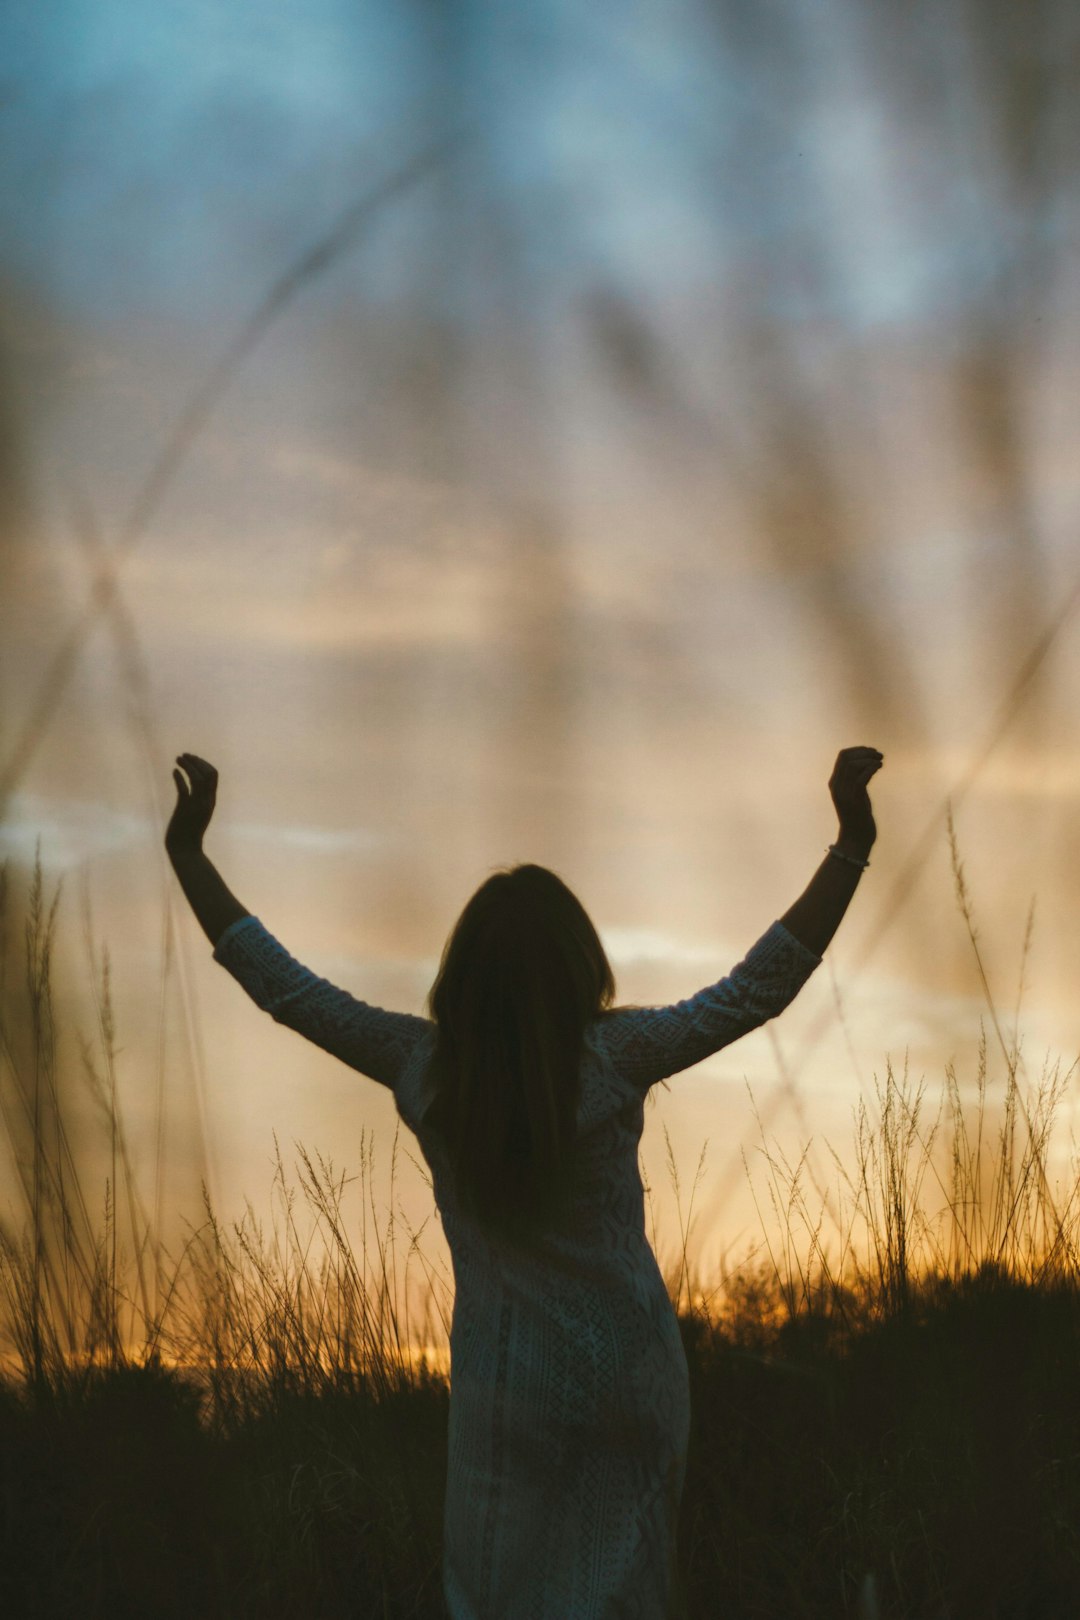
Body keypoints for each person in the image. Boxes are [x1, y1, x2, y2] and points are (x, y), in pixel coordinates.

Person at [166, 744, 883, 1619]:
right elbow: (759, 988)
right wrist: (851, 840)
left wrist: (190, 856)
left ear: (461, 976)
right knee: (628, 1594)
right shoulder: (618, 1055)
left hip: (511, 1399)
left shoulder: (423, 1067)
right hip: (633, 1378)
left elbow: (282, 986)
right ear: (579, 963)